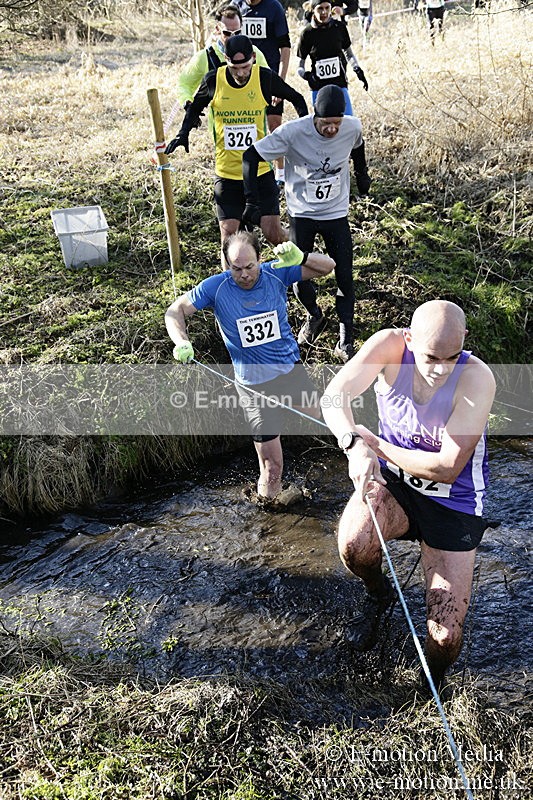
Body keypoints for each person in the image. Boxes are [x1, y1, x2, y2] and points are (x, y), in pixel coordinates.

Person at [320, 300, 496, 693]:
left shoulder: (477, 378)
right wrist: (353, 444)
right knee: (354, 544)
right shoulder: (388, 347)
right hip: (397, 486)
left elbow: (446, 466)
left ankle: (430, 681)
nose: (439, 369)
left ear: (464, 342)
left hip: (455, 501)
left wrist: (375, 446)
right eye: (431, 356)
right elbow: (334, 396)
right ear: (410, 339)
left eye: (451, 357)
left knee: (444, 638)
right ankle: (378, 595)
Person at [166, 233, 335, 499]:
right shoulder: (216, 287)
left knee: (330, 423)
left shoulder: (276, 273)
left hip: (289, 372)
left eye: (250, 266)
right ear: (226, 264)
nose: (244, 275)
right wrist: (181, 341)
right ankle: (270, 519)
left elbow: (328, 266)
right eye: (236, 268)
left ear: (260, 259)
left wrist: (302, 257)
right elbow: (175, 310)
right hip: (254, 388)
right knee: (271, 466)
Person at [242, 84, 371, 362]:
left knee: (345, 275)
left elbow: (358, 147)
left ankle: (345, 336)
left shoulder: (352, 126)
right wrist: (252, 201)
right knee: (297, 277)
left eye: (337, 123)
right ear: (315, 116)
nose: (332, 130)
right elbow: (250, 156)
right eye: (326, 124)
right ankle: (314, 316)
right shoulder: (292, 132)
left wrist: (362, 174)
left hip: (336, 214)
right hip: (302, 213)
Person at [166, 35, 308, 247]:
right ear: (225, 59)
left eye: (245, 67)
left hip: (260, 172)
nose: (241, 73)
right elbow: (195, 107)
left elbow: (297, 98)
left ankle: (298, 246)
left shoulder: (263, 78)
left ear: (253, 58)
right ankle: (233, 280)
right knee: (228, 238)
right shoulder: (214, 80)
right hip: (227, 175)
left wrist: (304, 130)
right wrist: (183, 133)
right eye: (235, 68)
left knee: (273, 234)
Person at [175, 4, 269, 109]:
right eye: (227, 33)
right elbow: (183, 84)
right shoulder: (205, 57)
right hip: (220, 123)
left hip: (251, 122)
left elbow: (270, 83)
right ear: (217, 29)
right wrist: (187, 103)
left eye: (237, 32)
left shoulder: (254, 53)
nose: (233, 37)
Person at [239, 0, 292, 184]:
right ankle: (248, 169)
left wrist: (281, 81)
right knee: (246, 124)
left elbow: (285, 46)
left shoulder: (273, 7)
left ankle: (281, 174)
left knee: (274, 124)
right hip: (243, 77)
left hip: (270, 76)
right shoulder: (236, 5)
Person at [296, 0, 368, 115]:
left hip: (339, 84)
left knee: (348, 119)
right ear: (313, 10)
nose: (324, 12)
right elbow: (300, 65)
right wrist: (306, 76)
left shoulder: (339, 27)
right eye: (320, 8)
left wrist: (357, 69)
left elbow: (349, 54)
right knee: (323, 125)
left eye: (327, 8)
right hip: (318, 87)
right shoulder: (307, 33)